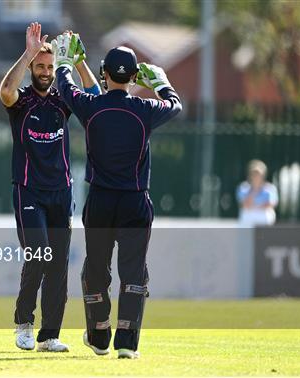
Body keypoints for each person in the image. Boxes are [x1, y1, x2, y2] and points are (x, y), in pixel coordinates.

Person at [51, 33, 182, 358]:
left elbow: (65, 87)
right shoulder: (145, 109)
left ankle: (98, 337)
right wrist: (161, 81)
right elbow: (175, 104)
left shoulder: (91, 106)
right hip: (136, 201)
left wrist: (65, 61)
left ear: (104, 73)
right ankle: (126, 342)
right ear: (134, 77)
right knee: (133, 270)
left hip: (101, 201)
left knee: (96, 269)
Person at [0, 23, 100, 352]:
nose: (45, 72)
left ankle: (49, 335)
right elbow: (4, 91)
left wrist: (79, 60)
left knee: (57, 262)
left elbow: (96, 99)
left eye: (50, 66)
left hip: (61, 193)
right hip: (29, 190)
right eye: (39, 66)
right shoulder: (22, 102)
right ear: (31, 68)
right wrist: (28, 51)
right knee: (38, 254)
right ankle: (24, 323)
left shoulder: (62, 100)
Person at [236, 159, 278, 226]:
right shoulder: (243, 187)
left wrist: (255, 207)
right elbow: (245, 205)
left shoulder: (270, 189)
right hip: (249, 215)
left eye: (258, 174)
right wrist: (254, 189)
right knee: (245, 214)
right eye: (254, 174)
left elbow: (270, 205)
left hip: (264, 215)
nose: (256, 177)